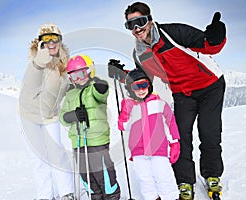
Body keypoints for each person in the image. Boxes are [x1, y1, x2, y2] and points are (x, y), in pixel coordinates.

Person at [108, 2, 226, 199]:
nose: (137, 29)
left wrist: (217, 36)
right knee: (180, 136)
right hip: (182, 93)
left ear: (150, 20)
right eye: (131, 25)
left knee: (209, 131)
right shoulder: (140, 53)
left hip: (209, 85)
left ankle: (212, 175)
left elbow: (209, 46)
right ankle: (185, 181)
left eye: (140, 22)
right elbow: (144, 80)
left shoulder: (173, 33)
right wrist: (121, 74)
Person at [18, 23, 74, 200]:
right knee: (38, 157)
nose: (51, 43)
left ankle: (67, 193)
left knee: (57, 153)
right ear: (40, 42)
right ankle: (45, 195)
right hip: (29, 115)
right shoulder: (35, 60)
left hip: (50, 115)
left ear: (60, 40)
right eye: (46, 39)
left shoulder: (63, 63)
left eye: (54, 38)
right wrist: (41, 60)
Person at [59, 55, 121, 200]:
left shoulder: (94, 87)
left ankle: (111, 197)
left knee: (104, 175)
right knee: (87, 177)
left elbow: (102, 93)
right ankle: (95, 197)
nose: (79, 78)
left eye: (82, 73)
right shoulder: (70, 94)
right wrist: (73, 115)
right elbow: (63, 117)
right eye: (74, 75)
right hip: (79, 143)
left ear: (89, 71)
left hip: (97, 141)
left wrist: (101, 84)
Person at [118, 68, 180, 200]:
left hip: (159, 149)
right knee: (145, 180)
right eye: (136, 86)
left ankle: (171, 197)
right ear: (130, 89)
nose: (141, 90)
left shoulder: (159, 103)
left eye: (144, 85)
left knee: (163, 177)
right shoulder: (129, 105)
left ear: (149, 85)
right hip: (139, 151)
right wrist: (126, 113)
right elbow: (123, 126)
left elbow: (170, 123)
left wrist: (174, 142)